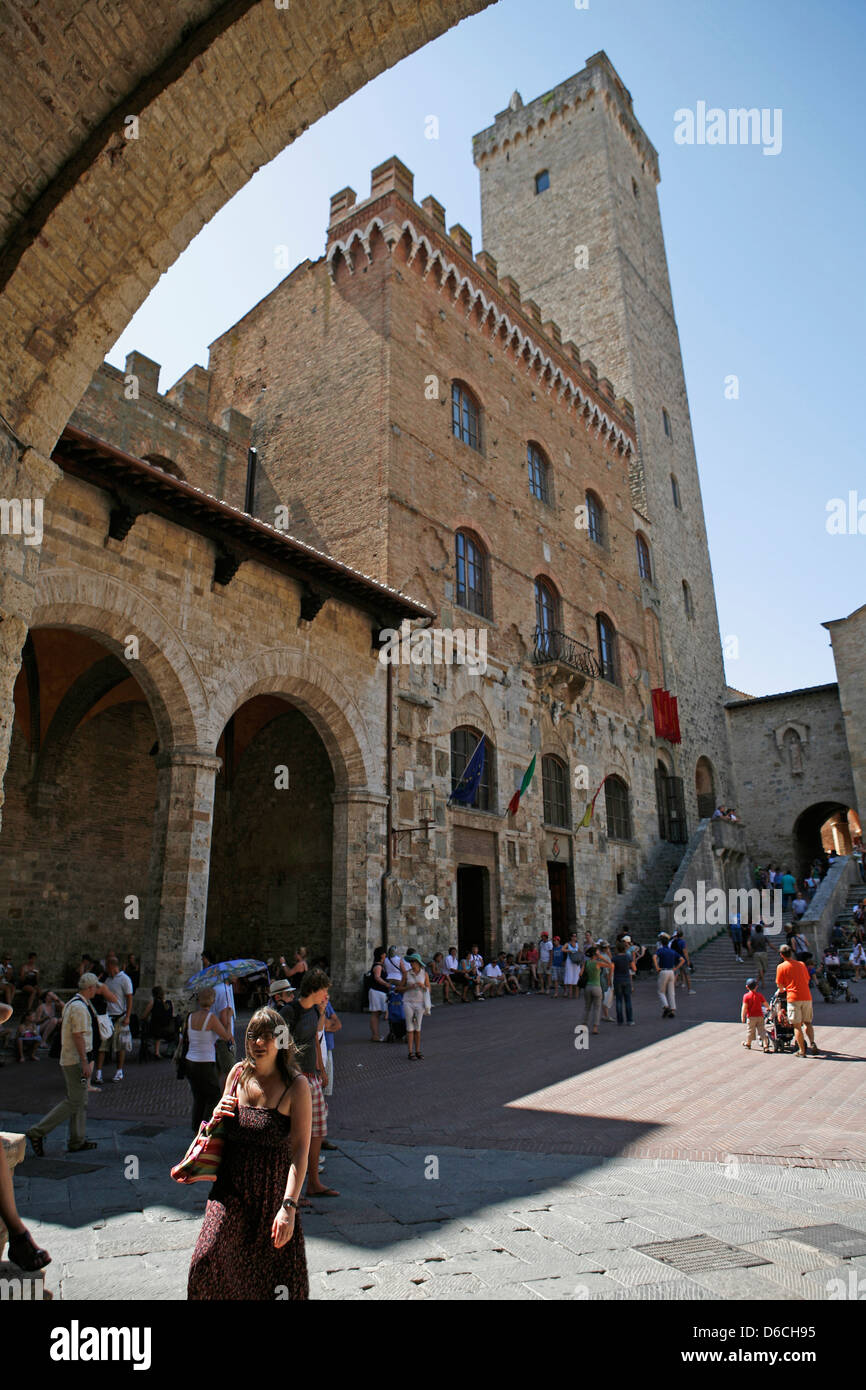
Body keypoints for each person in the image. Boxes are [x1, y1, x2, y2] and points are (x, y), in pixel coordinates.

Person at [187, 1007, 312, 1300]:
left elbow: (300, 1151)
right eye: (253, 1035)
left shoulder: (296, 1086)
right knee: (205, 1264)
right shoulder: (237, 1073)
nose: (258, 1043)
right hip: (229, 1191)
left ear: (280, 1040)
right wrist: (216, 1114)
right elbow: (217, 1130)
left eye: (267, 1037)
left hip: (271, 1197)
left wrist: (289, 1208)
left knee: (267, 1282)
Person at [27, 973, 100, 1155]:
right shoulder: (79, 1008)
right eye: (95, 988)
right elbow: (78, 1035)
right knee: (74, 1101)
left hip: (74, 1059)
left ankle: (77, 1140)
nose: (96, 991)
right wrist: (84, 1062)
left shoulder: (75, 1003)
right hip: (75, 1061)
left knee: (81, 1100)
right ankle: (37, 1131)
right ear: (90, 988)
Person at [285, 970, 338, 1198]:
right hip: (295, 1079)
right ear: (314, 989)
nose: (326, 994)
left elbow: (316, 1040)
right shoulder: (290, 1011)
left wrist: (321, 1069)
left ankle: (313, 1182)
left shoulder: (316, 1010)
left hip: (312, 1076)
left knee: (316, 1131)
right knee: (296, 1133)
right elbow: (279, 1045)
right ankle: (290, 1190)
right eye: (324, 990)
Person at [183, 987, 235, 1132]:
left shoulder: (191, 1016)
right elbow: (227, 1036)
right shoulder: (211, 1018)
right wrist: (229, 1018)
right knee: (213, 1096)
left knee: (198, 1096)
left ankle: (195, 1127)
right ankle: (206, 1127)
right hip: (205, 1062)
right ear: (212, 1001)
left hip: (190, 1061)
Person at [94, 952, 133, 1085]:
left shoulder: (125, 979)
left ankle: (119, 1071)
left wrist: (127, 1016)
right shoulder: (108, 980)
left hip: (120, 1017)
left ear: (112, 966)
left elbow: (129, 998)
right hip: (107, 1017)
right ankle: (98, 1072)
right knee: (102, 1046)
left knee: (120, 1046)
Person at [200, 948, 236, 1082]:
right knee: (230, 1074)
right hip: (223, 1038)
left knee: (219, 1073)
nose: (236, 976)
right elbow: (224, 1016)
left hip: (214, 1037)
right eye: (234, 974)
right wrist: (229, 1036)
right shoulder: (224, 990)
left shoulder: (215, 989)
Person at [775, 944, 818, 1059]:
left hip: (793, 998)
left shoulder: (781, 967)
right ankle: (812, 1043)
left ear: (781, 955)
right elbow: (807, 979)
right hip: (806, 996)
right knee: (808, 1022)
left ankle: (802, 1051)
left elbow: (780, 985)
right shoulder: (801, 964)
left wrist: (783, 990)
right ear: (791, 953)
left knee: (797, 1026)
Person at [400, 951, 429, 1060]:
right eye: (410, 961)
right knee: (410, 1027)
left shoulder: (424, 974)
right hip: (408, 1002)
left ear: (418, 963)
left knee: (418, 1028)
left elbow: (428, 989)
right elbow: (399, 988)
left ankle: (418, 1050)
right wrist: (408, 987)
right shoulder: (406, 974)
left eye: (413, 961)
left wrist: (423, 986)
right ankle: (410, 1052)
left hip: (420, 1003)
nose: (411, 963)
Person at [653, 933, 684, 1019]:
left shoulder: (660, 950)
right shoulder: (672, 951)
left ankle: (666, 1006)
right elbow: (682, 960)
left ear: (662, 943)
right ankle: (673, 1009)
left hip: (663, 970)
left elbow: (654, 957)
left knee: (661, 991)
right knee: (671, 992)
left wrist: (657, 967)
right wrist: (676, 968)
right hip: (671, 971)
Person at [140, 986, 175, 1059]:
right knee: (161, 1028)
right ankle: (169, 1051)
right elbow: (172, 1015)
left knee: (154, 1027)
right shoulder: (170, 1003)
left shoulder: (153, 1003)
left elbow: (144, 1016)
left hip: (155, 1030)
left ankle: (156, 1051)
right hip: (169, 1030)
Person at [366, 948, 389, 1038]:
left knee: (377, 1013)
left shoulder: (380, 965)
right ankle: (375, 1035)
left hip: (379, 991)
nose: (385, 955)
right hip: (376, 991)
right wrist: (386, 984)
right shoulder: (378, 966)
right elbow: (377, 977)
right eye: (384, 953)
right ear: (381, 955)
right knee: (375, 1014)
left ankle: (375, 1034)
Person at [611, 942, 636, 1025]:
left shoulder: (614, 958)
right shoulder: (628, 957)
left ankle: (620, 1021)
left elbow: (612, 970)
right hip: (626, 979)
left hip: (617, 979)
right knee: (628, 1000)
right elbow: (634, 968)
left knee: (618, 1000)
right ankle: (630, 1020)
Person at [740, 977, 768, 1051]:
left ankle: (748, 1043)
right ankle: (765, 1045)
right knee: (762, 1031)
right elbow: (765, 1003)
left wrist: (743, 1016)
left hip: (751, 1017)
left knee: (750, 1031)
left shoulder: (746, 996)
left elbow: (744, 1007)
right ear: (756, 986)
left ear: (747, 987)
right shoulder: (759, 995)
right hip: (760, 1016)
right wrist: (768, 1008)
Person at [581, 947, 604, 1034]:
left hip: (588, 986)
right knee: (597, 1008)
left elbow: (580, 973)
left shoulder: (586, 962)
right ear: (595, 954)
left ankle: (584, 1026)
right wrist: (601, 957)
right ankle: (595, 1028)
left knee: (587, 1007)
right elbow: (610, 964)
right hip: (597, 986)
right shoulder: (598, 963)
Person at [670, 930, 696, 994]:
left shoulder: (673, 942)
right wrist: (688, 961)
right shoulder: (682, 942)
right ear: (682, 935)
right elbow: (685, 952)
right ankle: (689, 990)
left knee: (677, 974)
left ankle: (671, 989)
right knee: (687, 975)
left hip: (676, 960)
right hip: (683, 960)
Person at [750, 922, 769, 987]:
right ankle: (763, 982)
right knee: (763, 969)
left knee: (760, 969)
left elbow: (749, 943)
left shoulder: (753, 936)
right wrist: (776, 949)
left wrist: (751, 950)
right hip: (763, 953)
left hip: (756, 953)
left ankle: (757, 981)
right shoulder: (763, 936)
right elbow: (769, 944)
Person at [563, 933, 582, 999]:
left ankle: (576, 994)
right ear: (571, 937)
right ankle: (570, 994)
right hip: (569, 961)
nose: (574, 937)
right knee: (570, 976)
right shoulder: (567, 944)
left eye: (575, 936)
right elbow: (562, 949)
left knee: (576, 977)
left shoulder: (577, 944)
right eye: (573, 936)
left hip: (576, 962)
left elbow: (580, 951)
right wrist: (569, 950)